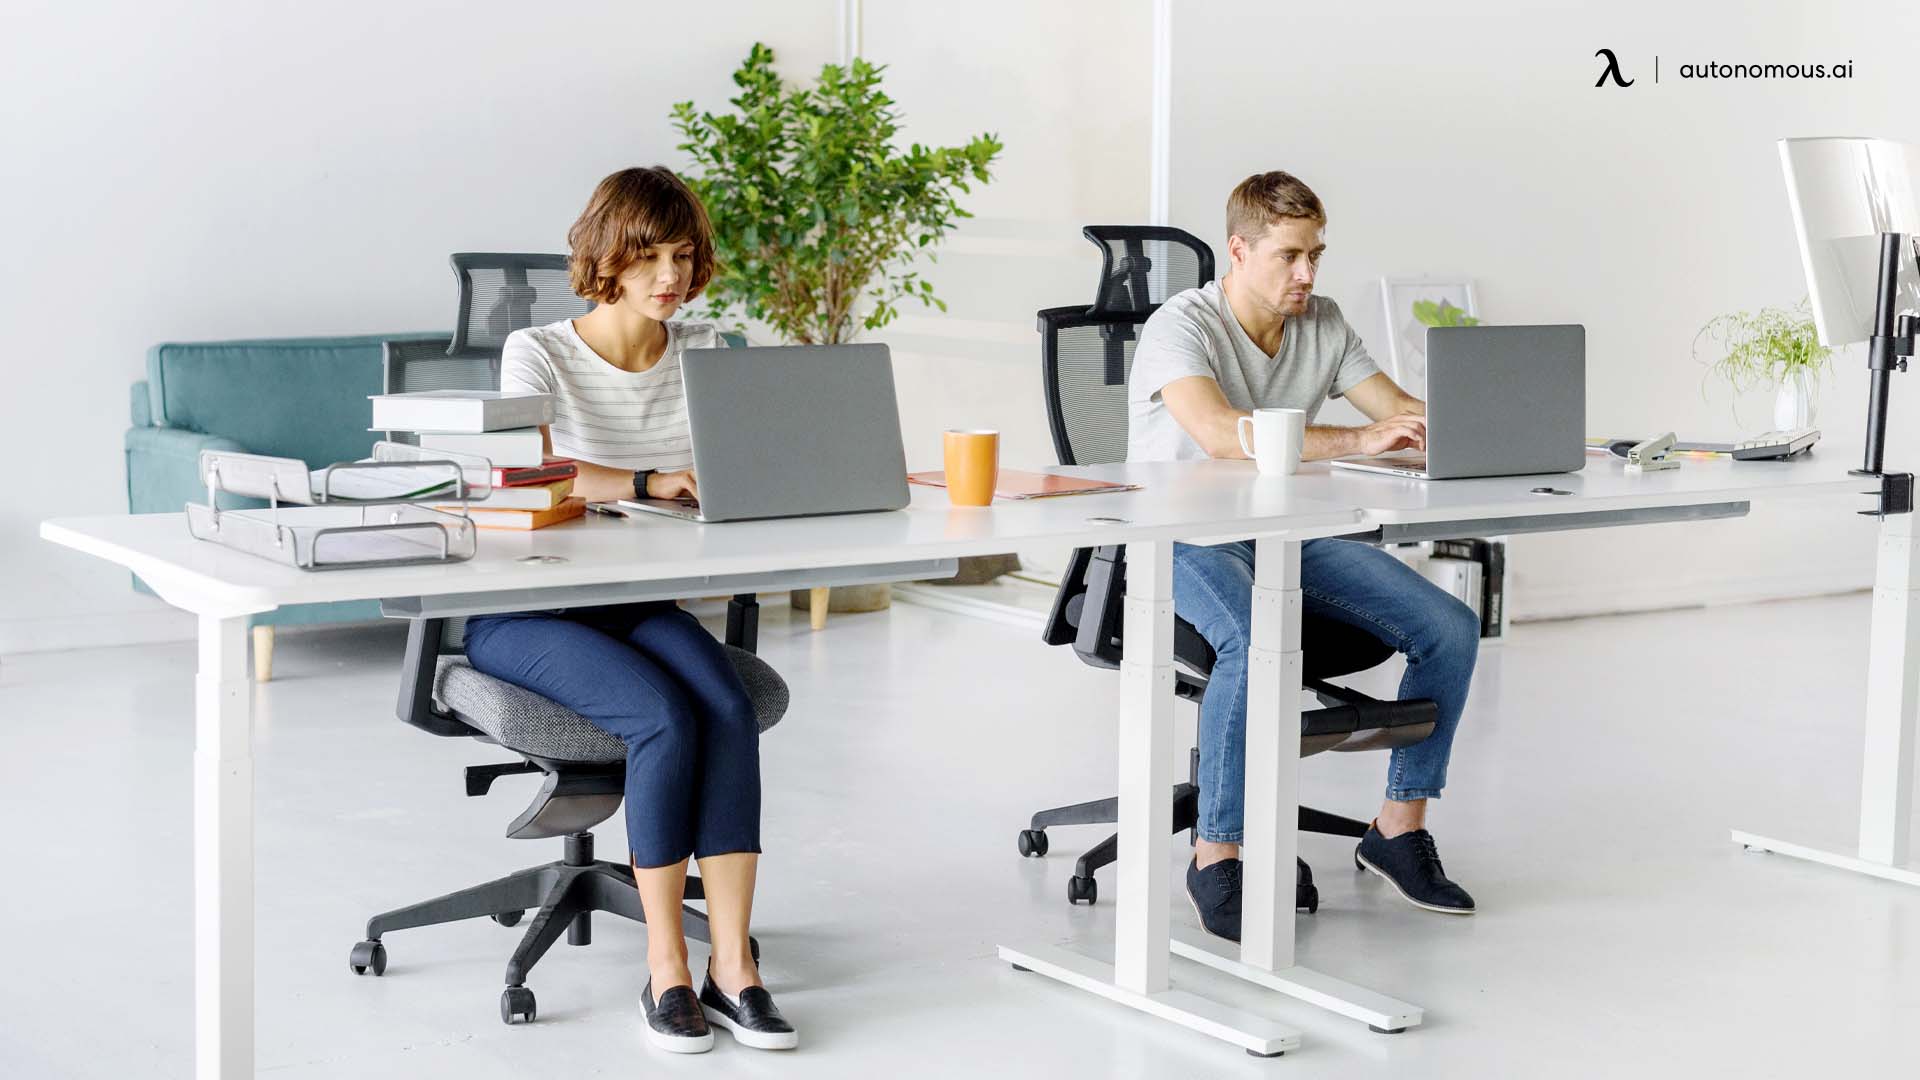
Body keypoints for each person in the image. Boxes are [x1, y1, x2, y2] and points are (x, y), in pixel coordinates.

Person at [462, 166, 796, 1053]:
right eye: (647, 256)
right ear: (605, 256)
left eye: (683, 256)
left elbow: (743, 466)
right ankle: (665, 968)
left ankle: (735, 967)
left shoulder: (708, 353)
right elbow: (533, 474)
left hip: (636, 600)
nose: (669, 276)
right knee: (662, 721)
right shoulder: (537, 351)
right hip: (529, 609)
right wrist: (649, 481)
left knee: (725, 709)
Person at [1127, 170, 1481, 940]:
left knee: (1449, 627)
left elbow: (1397, 410)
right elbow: (1222, 435)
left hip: (1289, 535)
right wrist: (1357, 441)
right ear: (1239, 249)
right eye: (1290, 256)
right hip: (1178, 535)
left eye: (1316, 254)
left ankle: (1395, 831)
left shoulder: (1322, 321)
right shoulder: (1179, 326)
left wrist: (1491, 421)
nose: (1307, 274)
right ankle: (1217, 854)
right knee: (1256, 639)